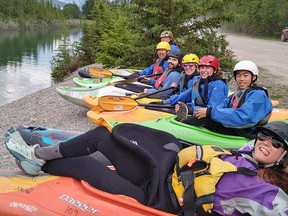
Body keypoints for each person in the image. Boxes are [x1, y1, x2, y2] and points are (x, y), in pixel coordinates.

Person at [5, 121, 288, 215]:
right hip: (159, 173)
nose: (266, 142)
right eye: (263, 136)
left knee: (83, 168)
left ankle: (34, 168)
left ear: (282, 156)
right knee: (102, 136)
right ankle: (36, 156)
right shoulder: (240, 155)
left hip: (155, 200)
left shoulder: (265, 192)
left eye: (276, 143)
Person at [178, 60, 273, 139]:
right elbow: (220, 107)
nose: (241, 79)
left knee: (207, 118)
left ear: (254, 77)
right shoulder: (237, 93)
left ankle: (181, 125)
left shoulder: (258, 95)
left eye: (245, 75)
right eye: (238, 76)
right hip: (236, 127)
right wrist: (194, 110)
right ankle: (183, 122)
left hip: (247, 132)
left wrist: (210, 113)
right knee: (207, 116)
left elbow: (244, 117)